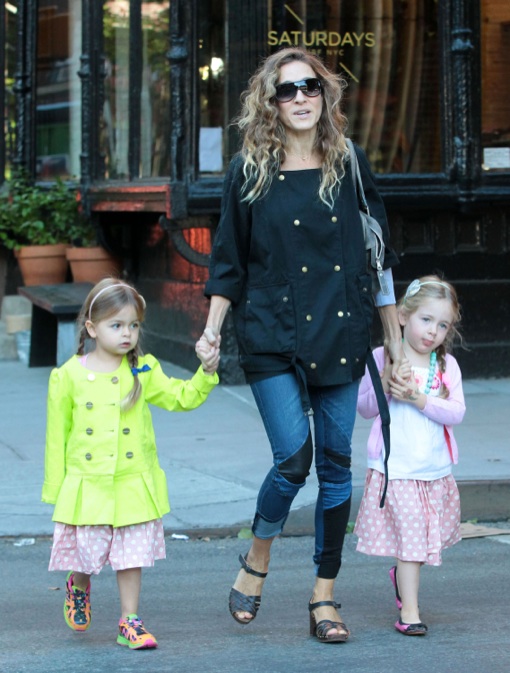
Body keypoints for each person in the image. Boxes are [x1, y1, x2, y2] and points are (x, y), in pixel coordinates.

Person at [200, 46, 403, 643]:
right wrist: (211, 330)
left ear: (324, 94)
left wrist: (394, 341)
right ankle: (258, 554)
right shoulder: (249, 170)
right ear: (270, 101)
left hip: (340, 330)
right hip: (270, 331)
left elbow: (379, 256)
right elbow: (228, 261)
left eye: (309, 86)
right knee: (293, 459)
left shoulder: (349, 162)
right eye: (286, 89)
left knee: (336, 467)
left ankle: (324, 595)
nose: (299, 98)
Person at [42, 278, 219, 649]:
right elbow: (57, 438)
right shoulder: (68, 376)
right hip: (88, 485)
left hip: (132, 483)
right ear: (92, 328)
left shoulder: (143, 370)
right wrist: (57, 491)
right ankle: (79, 584)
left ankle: (130, 621)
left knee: (130, 557)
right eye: (116, 325)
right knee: (88, 555)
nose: (127, 333)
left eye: (133, 325)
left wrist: (205, 372)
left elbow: (182, 398)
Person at [354, 275, 466, 636]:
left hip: (432, 470)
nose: (433, 331)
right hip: (396, 468)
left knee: (417, 543)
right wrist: (386, 383)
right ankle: (410, 613)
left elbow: (456, 412)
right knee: (412, 544)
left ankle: (403, 582)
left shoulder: (446, 366)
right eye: (426, 319)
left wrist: (419, 399)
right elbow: (365, 408)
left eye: (443, 324)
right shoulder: (382, 357)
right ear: (403, 316)